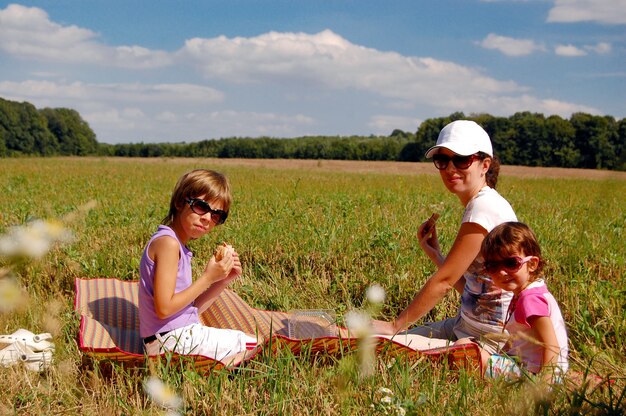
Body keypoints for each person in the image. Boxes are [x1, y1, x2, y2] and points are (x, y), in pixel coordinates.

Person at [372, 120, 517, 355]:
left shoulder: (483, 209)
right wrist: (436, 255)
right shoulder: (483, 203)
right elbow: (474, 290)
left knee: (383, 344)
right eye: (443, 160)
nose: (451, 168)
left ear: (484, 165)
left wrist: (394, 326)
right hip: (466, 326)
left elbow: (445, 282)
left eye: (462, 159)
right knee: (381, 338)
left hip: (488, 341)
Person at [138, 169, 256, 361]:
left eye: (217, 215)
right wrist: (208, 277)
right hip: (170, 341)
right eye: (201, 206)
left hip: (172, 337)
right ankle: (214, 371)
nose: (208, 218)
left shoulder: (177, 245)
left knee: (249, 343)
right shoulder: (169, 244)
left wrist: (223, 280)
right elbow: (164, 309)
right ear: (179, 202)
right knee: (258, 345)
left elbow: (190, 310)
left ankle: (211, 368)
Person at [456, 222, 569, 381]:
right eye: (492, 266)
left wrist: (543, 387)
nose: (501, 272)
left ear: (532, 264)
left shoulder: (530, 299)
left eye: (511, 263)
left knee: (465, 351)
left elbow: (552, 346)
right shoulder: (528, 292)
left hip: (536, 375)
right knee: (467, 345)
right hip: (532, 367)